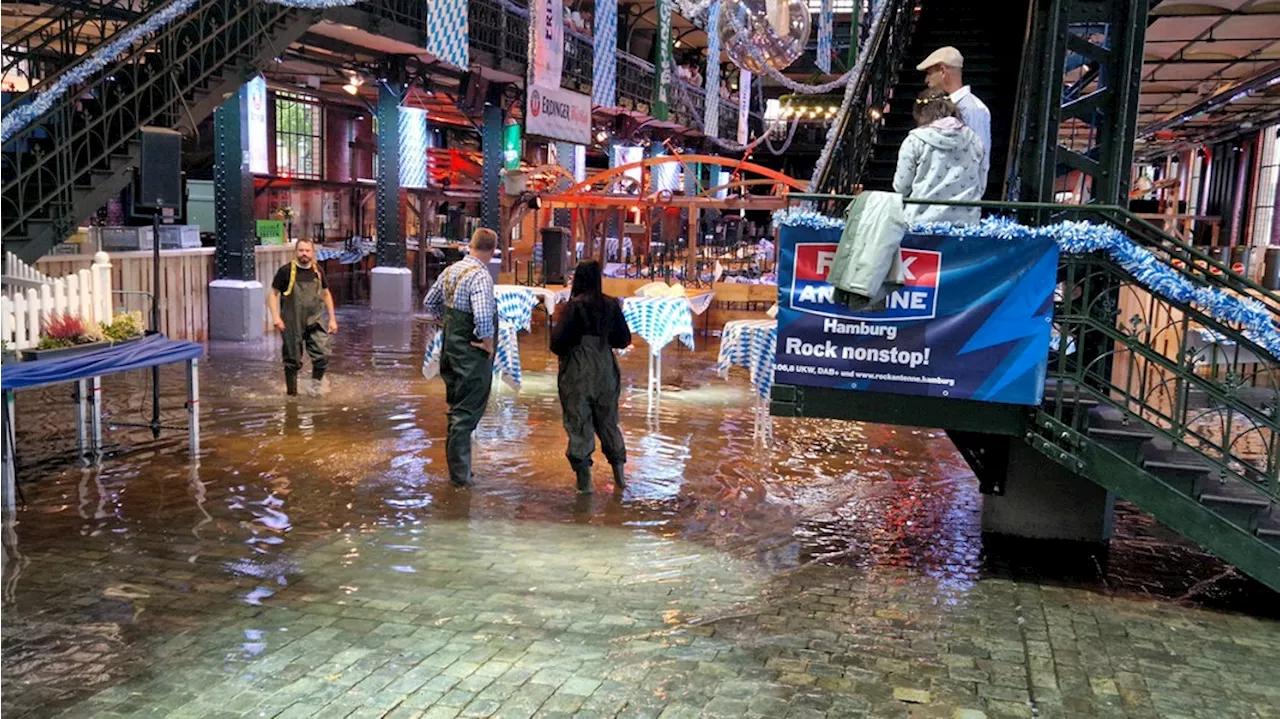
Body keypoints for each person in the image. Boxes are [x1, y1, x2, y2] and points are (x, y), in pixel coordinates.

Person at [423, 228, 499, 488]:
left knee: (456, 410)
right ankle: (460, 480)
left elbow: (429, 302)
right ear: (492, 250)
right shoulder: (480, 276)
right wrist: (487, 342)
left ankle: (460, 470)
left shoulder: (451, 271)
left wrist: (446, 323)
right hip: (471, 355)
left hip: (449, 352)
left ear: (471, 245)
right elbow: (483, 316)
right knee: (465, 415)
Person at [550, 260, 631, 495]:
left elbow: (557, 343)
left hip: (577, 372)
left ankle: (584, 487)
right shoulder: (611, 304)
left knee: (579, 425)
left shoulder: (574, 307)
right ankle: (620, 481)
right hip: (606, 369)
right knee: (608, 422)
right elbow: (623, 339)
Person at [892, 89, 987, 226]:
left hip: (920, 225)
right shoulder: (975, 140)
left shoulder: (914, 141)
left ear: (921, 112)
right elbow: (981, 187)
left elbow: (901, 187)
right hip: (966, 225)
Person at [268, 238, 337, 397]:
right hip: (292, 322)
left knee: (323, 354)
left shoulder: (318, 271)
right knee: (292, 360)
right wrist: (276, 317)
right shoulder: (285, 271)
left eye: (307, 251)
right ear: (295, 252)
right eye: (301, 250)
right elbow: (272, 294)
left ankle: (315, 386)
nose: (304, 254)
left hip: (315, 320)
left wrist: (332, 318)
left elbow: (326, 294)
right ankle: (292, 395)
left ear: (313, 252)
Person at [916, 46, 991, 179]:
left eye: (929, 73)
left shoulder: (973, 109)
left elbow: (980, 157)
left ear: (943, 71)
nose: (926, 80)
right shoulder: (941, 105)